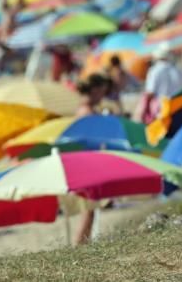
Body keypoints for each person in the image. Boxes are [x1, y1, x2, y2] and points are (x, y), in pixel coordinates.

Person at [73, 73, 113, 245]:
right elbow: (91, 138)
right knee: (88, 210)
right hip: (87, 163)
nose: (102, 97)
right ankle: (79, 246)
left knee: (90, 209)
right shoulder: (87, 112)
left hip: (85, 162)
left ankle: (82, 245)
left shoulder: (83, 110)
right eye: (102, 92)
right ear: (95, 90)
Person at [136, 44, 182, 125]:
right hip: (177, 107)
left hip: (160, 110)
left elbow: (150, 92)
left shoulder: (154, 71)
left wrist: (142, 112)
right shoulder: (178, 70)